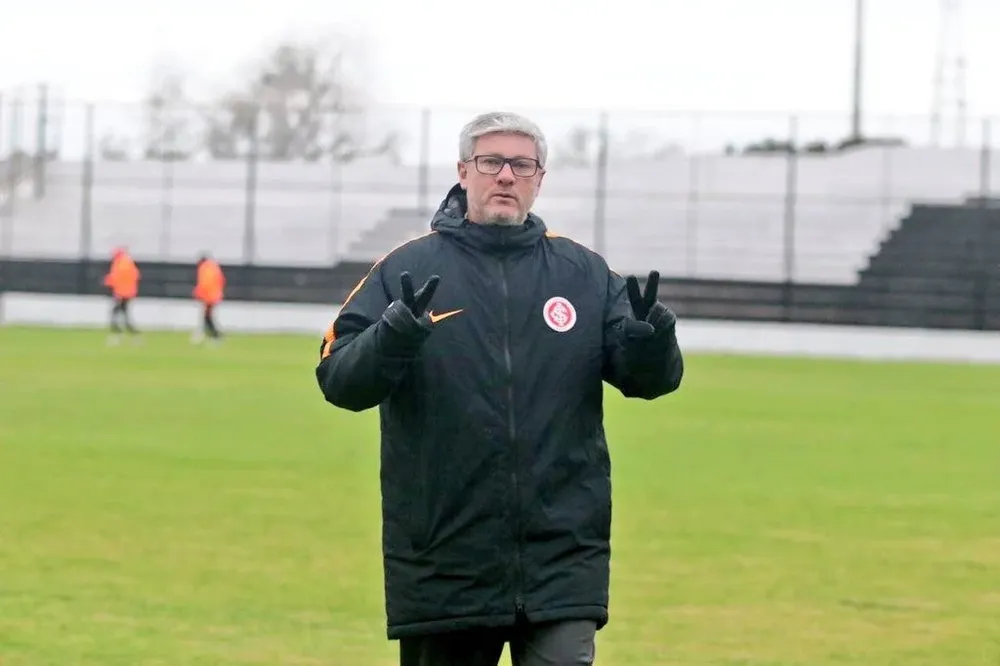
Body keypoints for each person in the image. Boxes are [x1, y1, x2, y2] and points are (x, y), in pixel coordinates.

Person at [315, 111, 684, 666]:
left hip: (561, 557)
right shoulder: (406, 269)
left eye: (521, 164)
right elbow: (339, 378)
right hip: (445, 557)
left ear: (540, 178)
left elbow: (649, 381)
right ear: (464, 172)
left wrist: (652, 342)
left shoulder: (582, 273)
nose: (506, 175)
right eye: (491, 162)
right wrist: (394, 335)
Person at [103, 246, 141, 345]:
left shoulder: (119, 264)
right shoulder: (129, 263)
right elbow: (135, 276)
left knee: (115, 313)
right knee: (124, 314)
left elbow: (116, 278)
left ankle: (118, 335)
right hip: (128, 293)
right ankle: (134, 335)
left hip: (121, 293)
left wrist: (107, 281)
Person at [191, 252, 226, 344]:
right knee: (207, 317)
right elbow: (221, 281)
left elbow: (204, 283)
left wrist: (198, 293)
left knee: (207, 317)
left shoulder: (204, 268)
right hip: (214, 296)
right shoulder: (214, 267)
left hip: (208, 297)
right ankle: (211, 335)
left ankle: (215, 336)